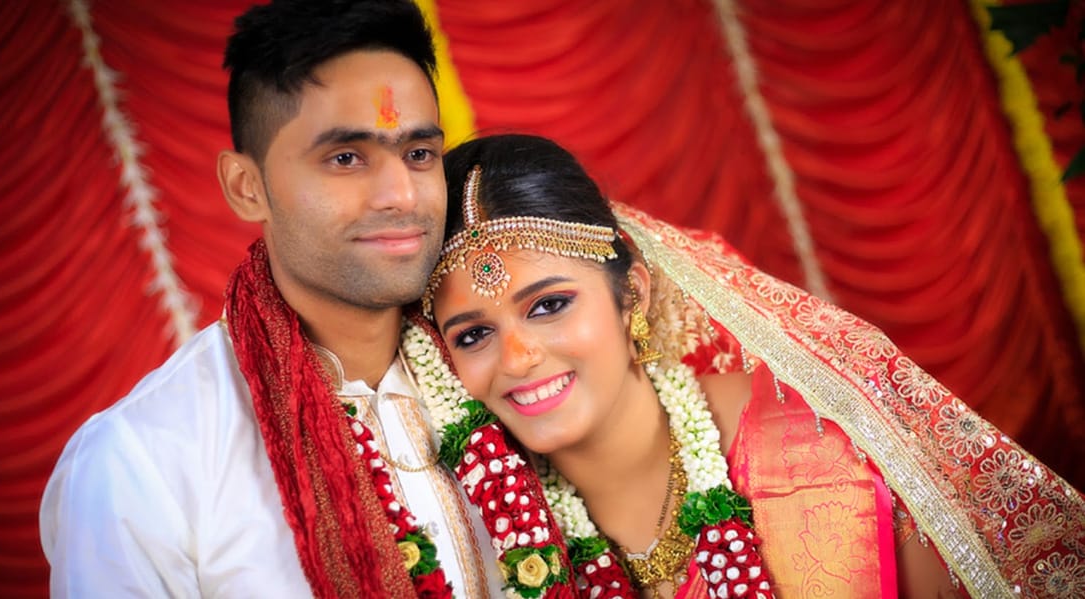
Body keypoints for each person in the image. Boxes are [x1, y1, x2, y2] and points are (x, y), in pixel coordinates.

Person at [404, 134, 1085, 598]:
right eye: (473, 334)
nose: (518, 357)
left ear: (631, 294)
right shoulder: (483, 528)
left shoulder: (814, 443)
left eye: (549, 305)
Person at [39, 1, 505, 596]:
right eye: (345, 158)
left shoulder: (506, 372)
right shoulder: (143, 461)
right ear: (246, 187)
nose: (401, 195)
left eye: (419, 154)